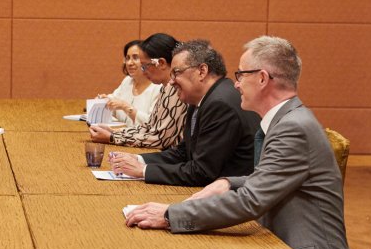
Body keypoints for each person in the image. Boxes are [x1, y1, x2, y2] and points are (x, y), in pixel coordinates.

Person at [124, 36, 355, 249]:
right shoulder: (285, 120)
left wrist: (170, 215)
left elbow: (251, 201)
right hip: (281, 246)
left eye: (241, 75)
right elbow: (275, 177)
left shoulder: (293, 128)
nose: (235, 84)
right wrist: (228, 182)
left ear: (263, 78)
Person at [109, 39, 259, 186]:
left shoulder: (220, 105)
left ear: (202, 71)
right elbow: (183, 152)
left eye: (176, 73)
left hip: (230, 196)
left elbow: (202, 172)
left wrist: (143, 171)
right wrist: (138, 160)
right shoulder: (201, 98)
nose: (172, 81)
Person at [89, 33, 187, 148]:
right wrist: (115, 133)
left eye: (145, 66)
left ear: (161, 63)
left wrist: (112, 137)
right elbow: (149, 127)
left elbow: (159, 139)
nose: (144, 72)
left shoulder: (176, 89)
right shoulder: (167, 88)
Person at [96, 40, 159, 126]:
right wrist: (105, 100)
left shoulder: (158, 88)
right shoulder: (128, 81)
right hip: (120, 135)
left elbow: (152, 123)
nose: (129, 63)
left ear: (147, 61)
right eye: (127, 58)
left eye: (135, 58)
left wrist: (125, 107)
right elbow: (115, 101)